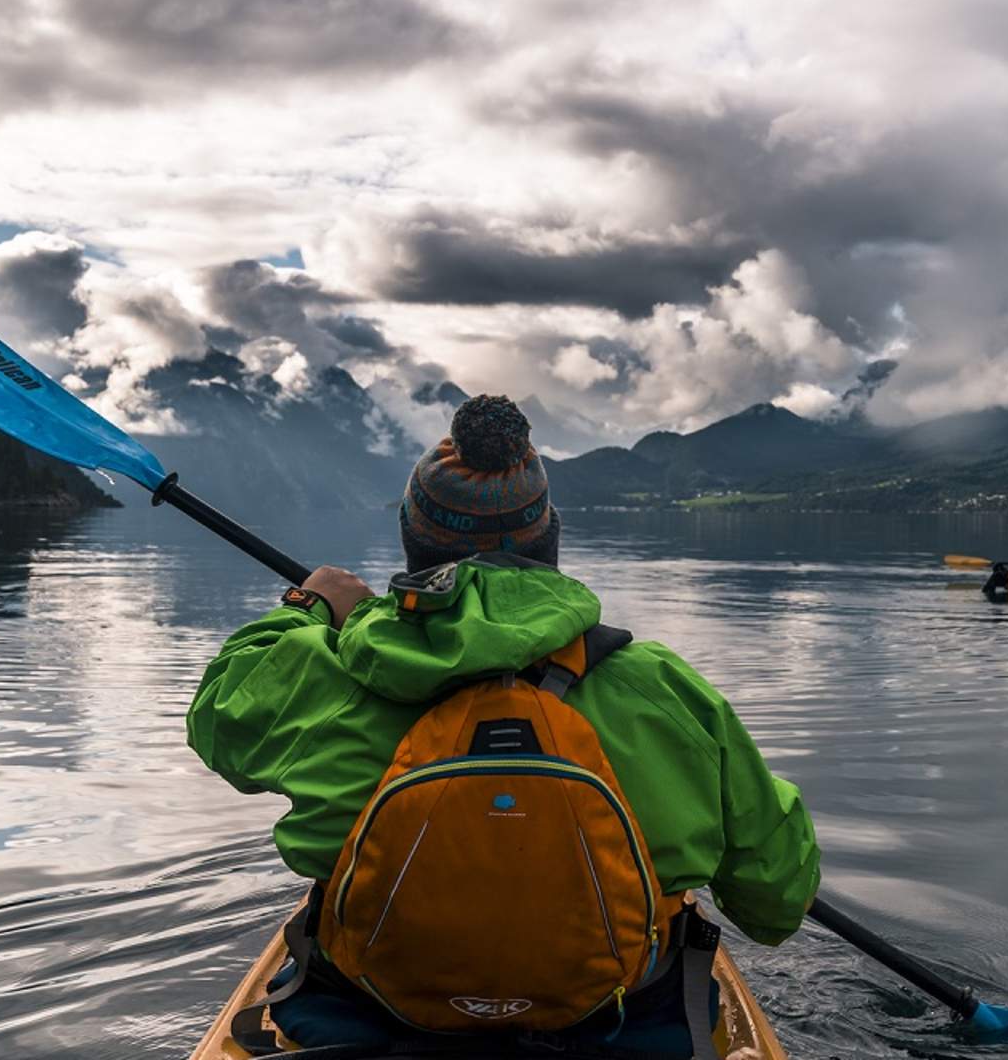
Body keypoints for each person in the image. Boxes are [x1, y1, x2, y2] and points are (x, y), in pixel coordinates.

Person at [187, 395, 821, 1058]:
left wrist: (307, 608)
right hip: (623, 1032)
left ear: (412, 536)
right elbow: (776, 904)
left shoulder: (326, 672)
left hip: (365, 1025)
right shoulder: (660, 688)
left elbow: (216, 717)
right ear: (550, 538)